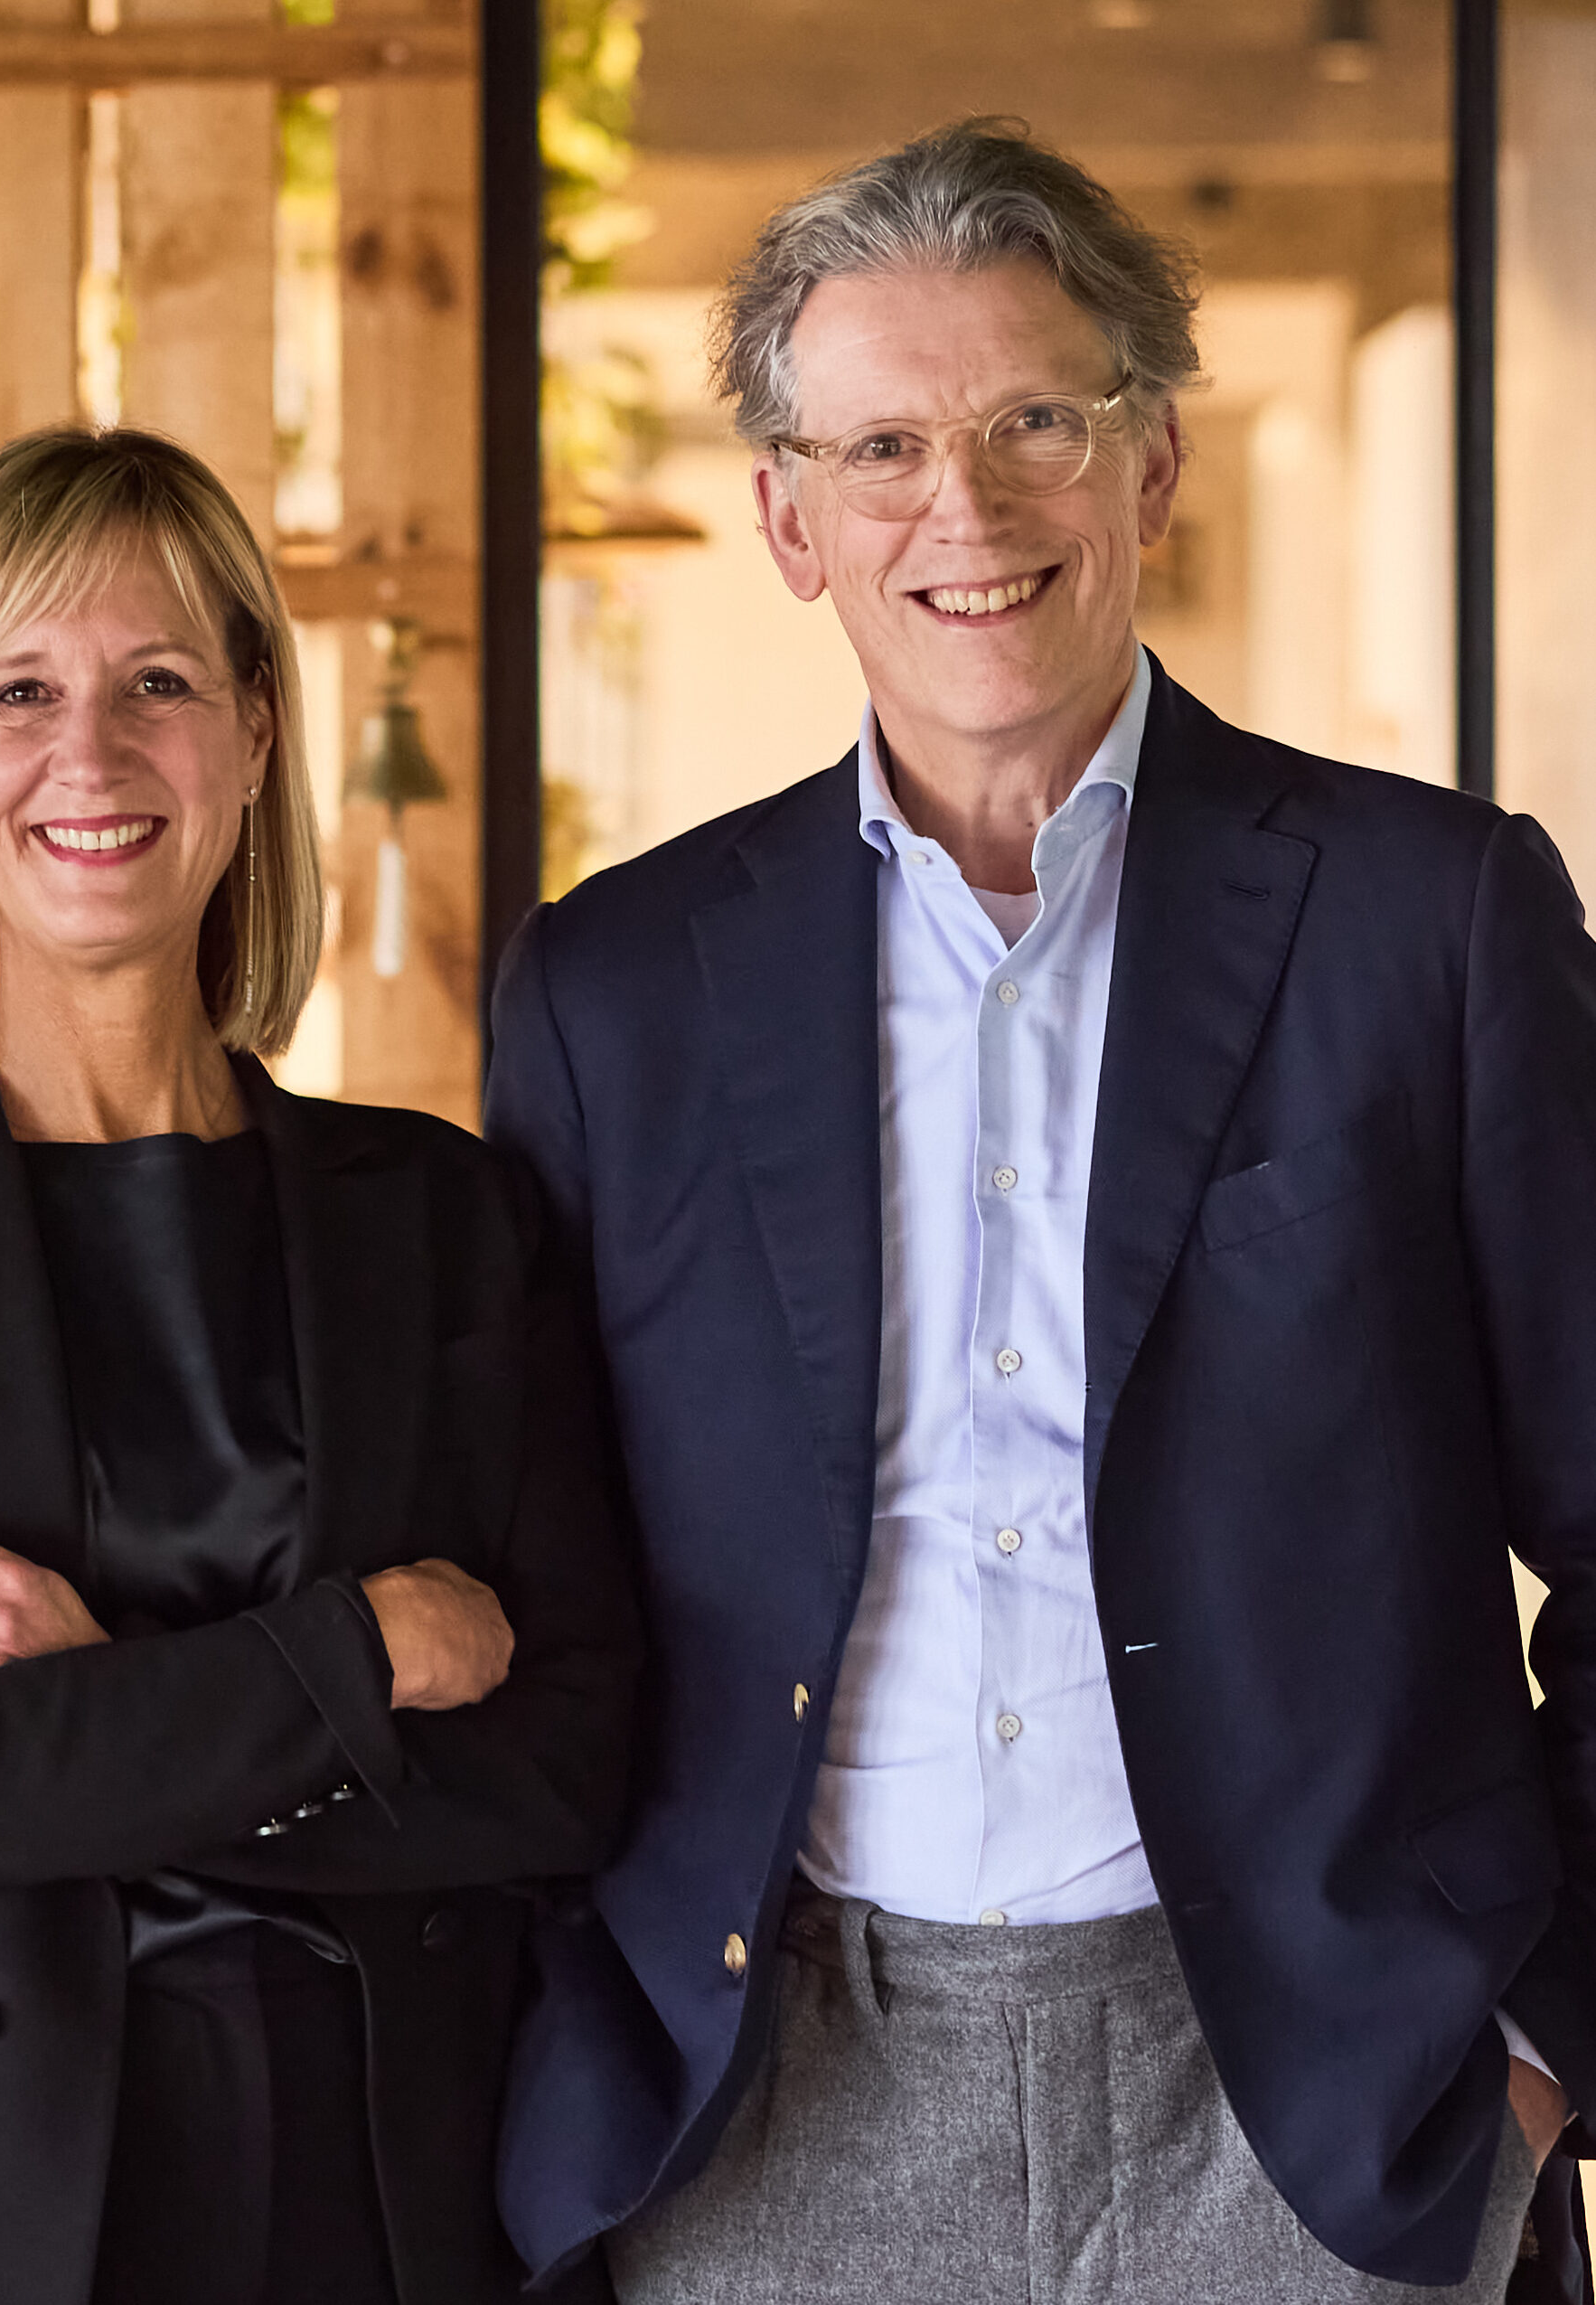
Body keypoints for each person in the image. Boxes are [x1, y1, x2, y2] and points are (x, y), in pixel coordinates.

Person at [488, 120, 1596, 2305]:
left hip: (1325, 2122)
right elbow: (542, 1575)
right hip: (775, 2122)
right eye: (882, 448)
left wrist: (1542, 2044)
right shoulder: (612, 991)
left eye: (1032, 425)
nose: (965, 512)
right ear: (787, 521)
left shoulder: (1432, 920)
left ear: (1149, 463)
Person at [0, 426, 642, 2305]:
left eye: (160, 684)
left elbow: (566, 1766)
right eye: (20, 692)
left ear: (256, 734)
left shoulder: (449, 1214)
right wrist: (360, 1652)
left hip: (395, 2188)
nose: (91, 754)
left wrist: (98, 1690)